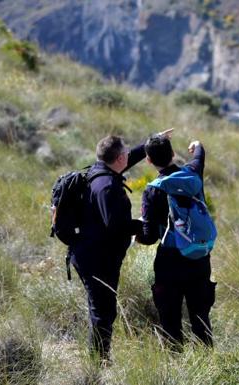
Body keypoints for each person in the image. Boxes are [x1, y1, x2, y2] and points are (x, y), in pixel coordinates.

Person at [69, 130, 171, 361]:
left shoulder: (100, 171)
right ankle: (98, 361)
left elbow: (125, 159)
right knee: (103, 311)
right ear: (119, 159)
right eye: (125, 152)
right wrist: (143, 225)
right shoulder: (107, 186)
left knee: (102, 308)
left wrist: (149, 143)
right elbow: (114, 225)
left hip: (89, 252)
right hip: (96, 259)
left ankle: (99, 356)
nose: (128, 155)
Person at [136, 135, 216, 347]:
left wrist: (137, 234)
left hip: (169, 261)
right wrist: (197, 144)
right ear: (173, 154)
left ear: (149, 161)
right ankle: (210, 365)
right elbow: (199, 156)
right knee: (200, 318)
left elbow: (150, 236)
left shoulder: (153, 189)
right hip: (199, 256)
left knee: (170, 320)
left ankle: (176, 367)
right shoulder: (192, 174)